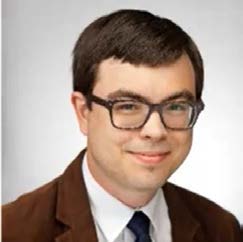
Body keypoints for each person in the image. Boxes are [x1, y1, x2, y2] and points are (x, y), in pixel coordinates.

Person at [2, 9, 242, 242]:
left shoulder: (223, 229)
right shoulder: (11, 231)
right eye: (128, 106)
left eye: (176, 106)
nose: (155, 131)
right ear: (83, 111)